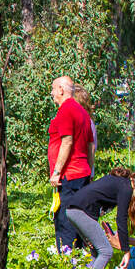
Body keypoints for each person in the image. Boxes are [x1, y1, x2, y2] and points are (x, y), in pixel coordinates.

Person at [47, 76, 94, 253]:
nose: (52, 93)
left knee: (64, 221)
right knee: (79, 218)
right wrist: (89, 172)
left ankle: (67, 263)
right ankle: (81, 258)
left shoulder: (66, 110)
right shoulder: (83, 112)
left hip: (69, 175)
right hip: (82, 175)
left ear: (61, 89)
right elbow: (90, 147)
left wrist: (57, 172)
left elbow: (67, 142)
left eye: (53, 89)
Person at [65, 165, 134, 269]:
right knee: (106, 251)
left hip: (73, 209)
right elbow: (121, 218)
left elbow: (94, 204)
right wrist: (126, 250)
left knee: (96, 250)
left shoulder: (115, 182)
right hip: (80, 211)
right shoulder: (126, 187)